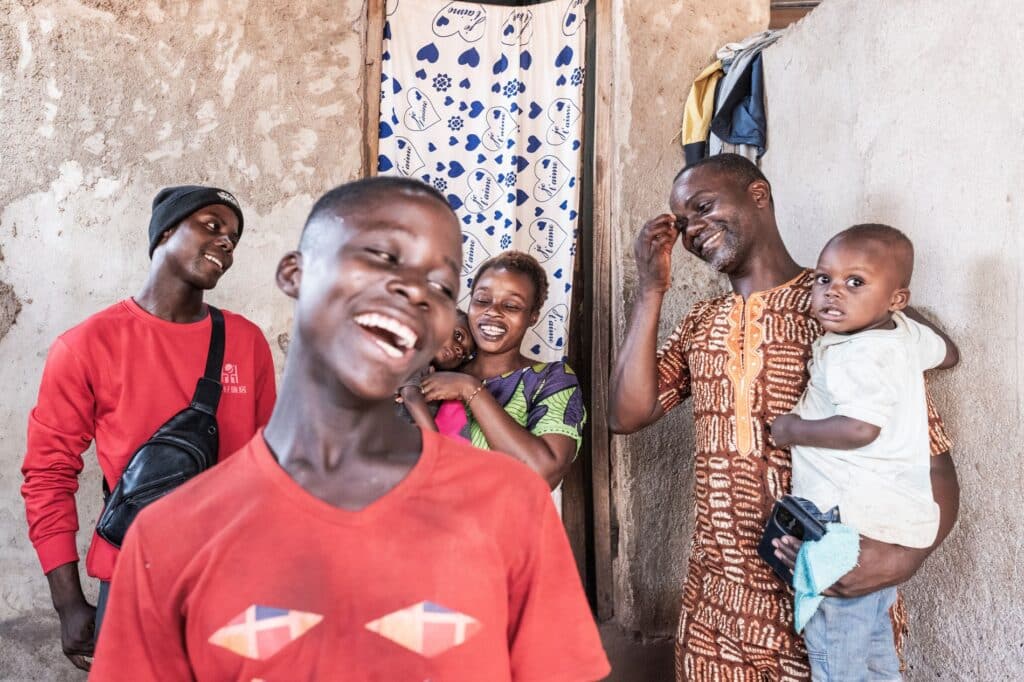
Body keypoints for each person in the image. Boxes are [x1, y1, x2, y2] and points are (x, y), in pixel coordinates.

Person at [90, 177, 609, 681]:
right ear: (295, 273)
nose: (414, 290)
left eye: (441, 285)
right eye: (381, 257)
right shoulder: (168, 537)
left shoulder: (512, 506)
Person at [608, 154, 960, 681]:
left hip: (822, 592)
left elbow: (929, 461)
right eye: (683, 224)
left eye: (704, 207)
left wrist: (908, 557)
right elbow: (625, 414)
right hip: (716, 607)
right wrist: (651, 288)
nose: (694, 230)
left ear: (758, 195)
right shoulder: (702, 322)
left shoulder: (842, 316)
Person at [20, 185, 276, 672]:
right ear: (164, 232)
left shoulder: (245, 342)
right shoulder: (87, 345)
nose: (226, 242)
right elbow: (48, 476)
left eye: (234, 238)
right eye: (212, 225)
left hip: (233, 581)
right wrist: (68, 603)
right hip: (133, 581)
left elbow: (270, 469)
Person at [769, 224, 959, 680]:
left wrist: (791, 428)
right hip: (891, 522)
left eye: (856, 283)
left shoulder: (857, 354)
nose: (834, 293)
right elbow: (948, 354)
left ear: (896, 298)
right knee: (875, 656)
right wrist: (888, 308)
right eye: (823, 279)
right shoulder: (903, 336)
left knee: (836, 661)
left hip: (847, 525)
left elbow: (860, 428)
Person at [421, 251, 586, 489]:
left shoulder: (552, 380)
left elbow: (543, 474)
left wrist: (471, 390)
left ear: (533, 316)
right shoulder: (435, 368)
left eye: (511, 305)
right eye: (482, 300)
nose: (493, 312)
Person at [397, 307, 475, 435]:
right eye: (458, 335)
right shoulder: (416, 355)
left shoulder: (438, 379)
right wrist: (436, 442)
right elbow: (411, 396)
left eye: (464, 354)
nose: (459, 349)